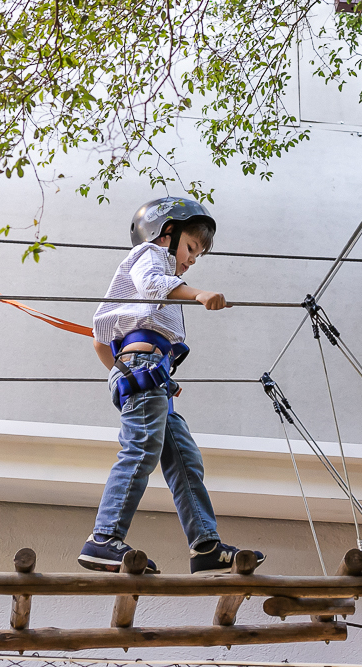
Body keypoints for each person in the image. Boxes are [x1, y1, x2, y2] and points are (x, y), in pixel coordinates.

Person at [78, 197, 266, 575]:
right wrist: (196, 293)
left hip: (153, 377)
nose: (192, 259)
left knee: (184, 459)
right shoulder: (152, 255)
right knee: (142, 448)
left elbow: (100, 341)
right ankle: (103, 538)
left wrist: (129, 373)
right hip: (146, 368)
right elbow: (152, 286)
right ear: (167, 233)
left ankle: (206, 546)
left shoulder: (157, 283)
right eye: (192, 247)